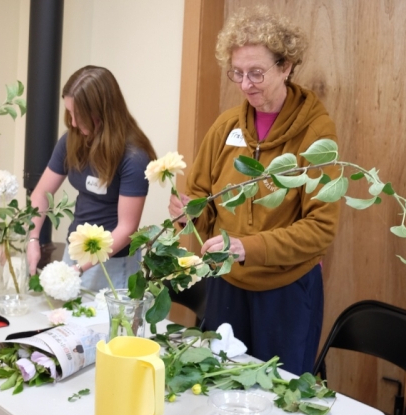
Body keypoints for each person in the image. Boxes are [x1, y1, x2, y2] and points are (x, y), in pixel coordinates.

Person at [168, 6, 340, 375]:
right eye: (238, 73)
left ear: (287, 66)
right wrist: (189, 216)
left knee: (275, 396)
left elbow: (321, 228)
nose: (246, 84)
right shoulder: (226, 126)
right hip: (227, 284)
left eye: (257, 73)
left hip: (286, 292)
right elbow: (202, 199)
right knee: (218, 382)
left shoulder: (316, 133)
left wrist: (249, 246)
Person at [28, 65, 157, 291]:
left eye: (79, 115)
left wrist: (80, 269)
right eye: (69, 113)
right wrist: (33, 239)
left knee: (107, 323)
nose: (74, 122)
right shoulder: (72, 140)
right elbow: (41, 193)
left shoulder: (134, 157)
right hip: (76, 252)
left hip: (114, 260)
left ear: (102, 112)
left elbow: (127, 229)